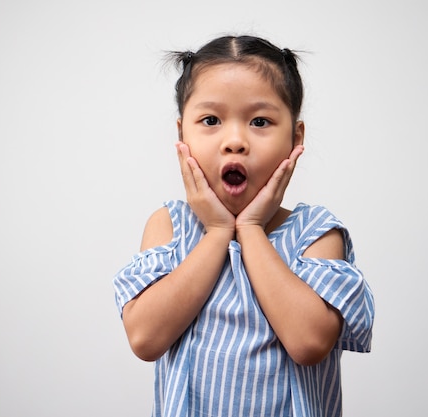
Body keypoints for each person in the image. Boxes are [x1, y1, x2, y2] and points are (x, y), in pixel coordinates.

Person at [113, 34, 374, 417]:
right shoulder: (170, 226)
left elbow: (309, 342)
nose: (234, 141)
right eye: (211, 120)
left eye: (260, 121)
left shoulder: (315, 233)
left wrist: (249, 227)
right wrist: (218, 232)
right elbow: (145, 338)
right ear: (182, 133)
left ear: (295, 137)